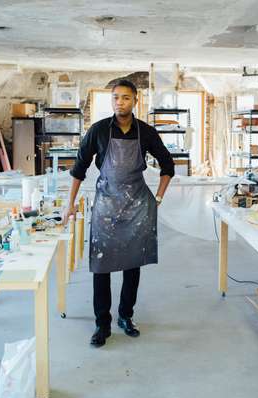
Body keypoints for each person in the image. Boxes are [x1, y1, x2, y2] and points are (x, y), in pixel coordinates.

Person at [64, 79, 174, 347]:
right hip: (106, 206)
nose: (120, 102)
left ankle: (126, 316)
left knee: (132, 265)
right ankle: (102, 324)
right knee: (101, 266)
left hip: (137, 207)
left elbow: (167, 164)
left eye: (125, 98)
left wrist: (158, 197)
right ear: (111, 100)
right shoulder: (99, 131)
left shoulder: (146, 132)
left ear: (135, 101)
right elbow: (79, 168)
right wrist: (69, 204)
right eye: (115, 98)